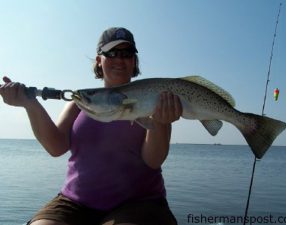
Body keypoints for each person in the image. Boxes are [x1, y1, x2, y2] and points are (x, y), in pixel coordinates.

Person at [0, 27, 182, 225]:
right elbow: (56, 147)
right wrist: (30, 104)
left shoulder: (154, 99)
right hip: (74, 202)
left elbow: (153, 160)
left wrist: (161, 122)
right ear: (98, 60)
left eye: (126, 53)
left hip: (139, 203)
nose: (119, 59)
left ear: (134, 61)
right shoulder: (79, 103)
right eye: (111, 53)